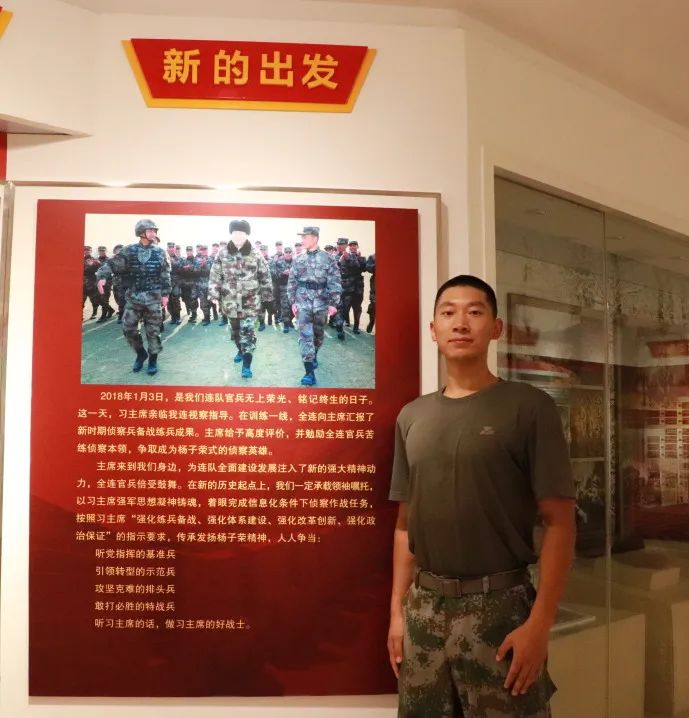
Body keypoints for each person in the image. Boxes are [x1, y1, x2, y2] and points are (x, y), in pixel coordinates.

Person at [387, 275, 575, 718]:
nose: (461, 323)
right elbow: (405, 526)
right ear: (433, 329)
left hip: (501, 611)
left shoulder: (529, 407)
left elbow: (560, 522)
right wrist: (397, 612)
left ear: (496, 328)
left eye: (475, 311)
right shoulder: (412, 417)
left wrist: (539, 625)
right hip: (424, 611)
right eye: (448, 312)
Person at [99, 219, 170, 375]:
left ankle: (153, 359)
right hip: (134, 298)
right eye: (150, 230)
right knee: (128, 329)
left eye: (154, 231)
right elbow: (112, 264)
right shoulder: (129, 250)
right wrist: (102, 276)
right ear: (141, 233)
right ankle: (141, 353)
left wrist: (165, 294)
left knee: (153, 331)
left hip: (153, 298)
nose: (154, 233)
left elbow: (165, 274)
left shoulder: (160, 252)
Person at [208, 219, 273, 379]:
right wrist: (213, 294)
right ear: (231, 234)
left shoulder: (256, 253)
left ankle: (246, 365)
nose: (238, 236)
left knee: (248, 333)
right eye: (235, 232)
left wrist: (268, 297)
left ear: (246, 234)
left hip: (250, 302)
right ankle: (240, 349)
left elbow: (265, 276)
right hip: (230, 301)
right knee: (235, 332)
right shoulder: (222, 253)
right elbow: (215, 275)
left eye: (241, 233)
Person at [287, 226, 341, 386]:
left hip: (321, 303)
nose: (302, 240)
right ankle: (309, 372)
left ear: (315, 238)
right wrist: (293, 301)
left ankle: (314, 354)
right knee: (305, 337)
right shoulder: (298, 259)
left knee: (318, 336)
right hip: (302, 303)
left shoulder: (328, 259)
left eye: (305, 237)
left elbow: (335, 281)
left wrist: (333, 303)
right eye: (302, 237)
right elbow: (292, 282)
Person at [339, 239, 367, 334]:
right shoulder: (344, 256)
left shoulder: (362, 258)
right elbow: (343, 268)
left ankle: (356, 327)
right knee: (344, 308)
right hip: (347, 287)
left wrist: (357, 259)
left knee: (357, 308)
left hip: (358, 288)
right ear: (349, 247)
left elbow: (363, 268)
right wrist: (351, 260)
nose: (353, 247)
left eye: (354, 245)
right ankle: (342, 328)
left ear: (357, 247)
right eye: (351, 245)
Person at [366, 253, 375, 332]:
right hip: (376, 283)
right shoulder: (372, 257)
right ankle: (371, 322)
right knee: (373, 305)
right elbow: (368, 268)